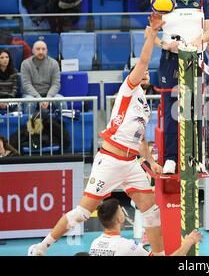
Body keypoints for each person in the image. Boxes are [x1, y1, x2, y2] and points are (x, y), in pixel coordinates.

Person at [27, 14, 166, 256]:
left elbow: (141, 137)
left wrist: (150, 162)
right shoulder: (128, 88)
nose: (143, 73)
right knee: (81, 213)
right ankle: (41, 247)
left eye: (146, 73)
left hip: (131, 162)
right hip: (110, 160)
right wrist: (152, 34)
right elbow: (144, 60)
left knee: (152, 211)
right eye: (139, 71)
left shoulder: (145, 103)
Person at [155, 0, 209, 174]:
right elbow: (150, 31)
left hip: (195, 58)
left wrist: (193, 44)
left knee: (195, 109)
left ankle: (197, 157)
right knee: (172, 110)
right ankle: (171, 158)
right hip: (171, 60)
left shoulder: (202, 2)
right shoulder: (164, 1)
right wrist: (164, 45)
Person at [89, 198, 202, 256]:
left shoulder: (94, 244)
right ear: (120, 219)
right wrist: (189, 242)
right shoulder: (129, 246)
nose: (123, 211)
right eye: (121, 210)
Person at [20, 41, 67, 113]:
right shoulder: (25, 64)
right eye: (38, 49)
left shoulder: (54, 63)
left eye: (43, 49)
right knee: (30, 103)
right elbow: (26, 85)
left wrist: (48, 99)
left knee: (61, 102)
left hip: (49, 95)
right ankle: (29, 124)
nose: (41, 52)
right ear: (33, 51)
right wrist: (39, 99)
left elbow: (56, 84)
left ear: (47, 51)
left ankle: (62, 124)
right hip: (31, 95)